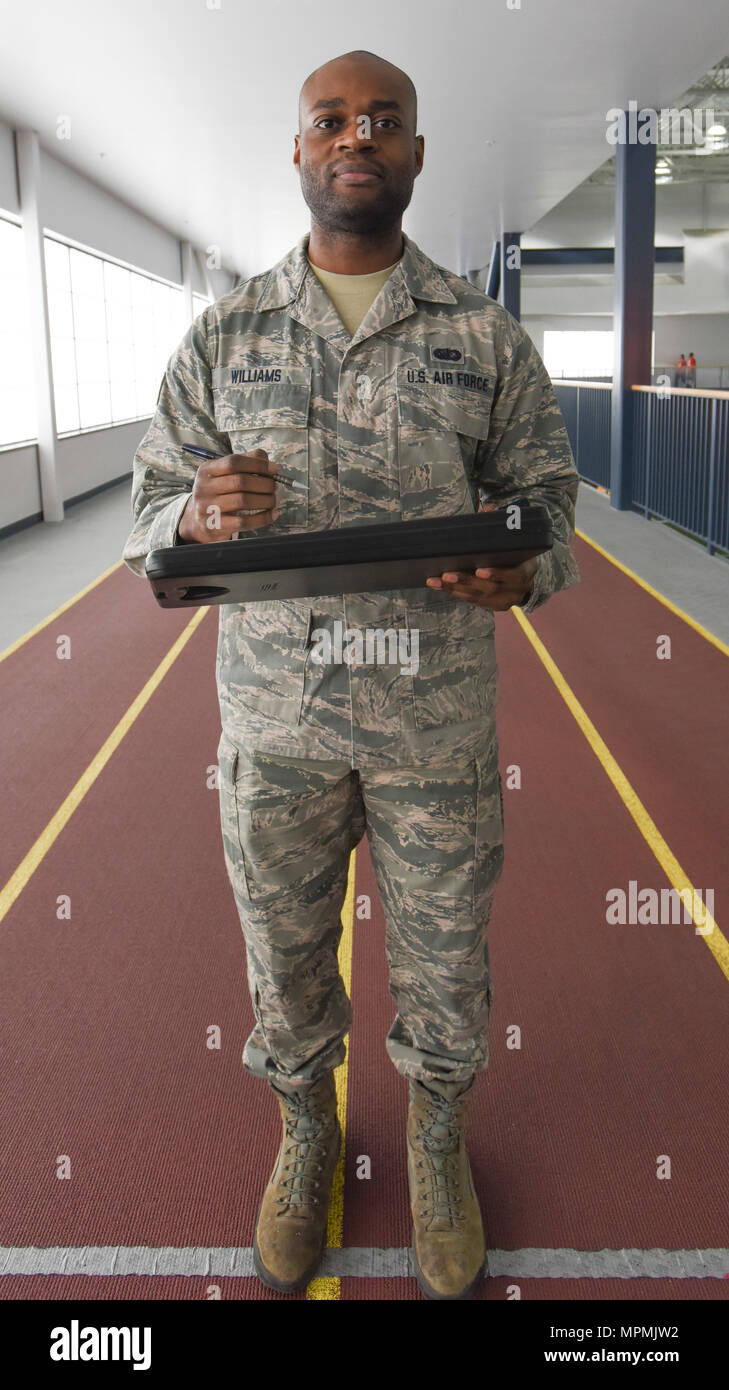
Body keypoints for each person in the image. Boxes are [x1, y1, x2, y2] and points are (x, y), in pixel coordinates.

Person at [122, 49, 580, 1301]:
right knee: (283, 950)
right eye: (331, 120)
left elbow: (550, 504)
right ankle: (305, 1129)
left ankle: (437, 1139)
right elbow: (145, 512)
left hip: (434, 721)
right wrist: (197, 519)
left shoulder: (482, 337)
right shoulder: (222, 335)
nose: (357, 136)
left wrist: (521, 570)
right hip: (278, 722)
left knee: (444, 954)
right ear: (300, 150)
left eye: (384, 121)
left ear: (417, 153)